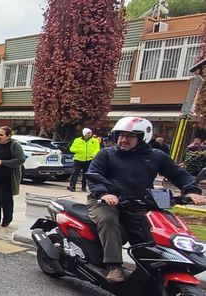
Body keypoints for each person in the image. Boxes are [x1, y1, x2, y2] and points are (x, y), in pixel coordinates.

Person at [87, 117, 206, 283]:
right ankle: (114, 266)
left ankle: (153, 271)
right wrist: (104, 194)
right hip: (105, 201)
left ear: (142, 138)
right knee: (108, 220)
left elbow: (178, 174)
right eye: (121, 135)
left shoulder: (156, 156)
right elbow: (94, 176)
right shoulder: (107, 153)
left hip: (139, 203)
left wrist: (192, 191)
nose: (124, 139)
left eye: (130, 136)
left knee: (154, 231)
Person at [0, 126, 26, 227]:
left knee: (5, 199)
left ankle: (7, 219)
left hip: (8, 178)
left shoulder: (15, 146)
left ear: (8, 136)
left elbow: (21, 160)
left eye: (1, 135)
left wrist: (3, 162)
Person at [68, 127, 101, 192]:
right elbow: (72, 149)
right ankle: (72, 186)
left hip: (88, 160)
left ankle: (84, 187)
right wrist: (79, 150)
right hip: (78, 159)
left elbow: (97, 149)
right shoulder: (77, 140)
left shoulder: (94, 141)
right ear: (84, 134)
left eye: (90, 133)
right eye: (88, 133)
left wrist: (94, 154)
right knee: (75, 173)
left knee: (86, 174)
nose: (89, 134)